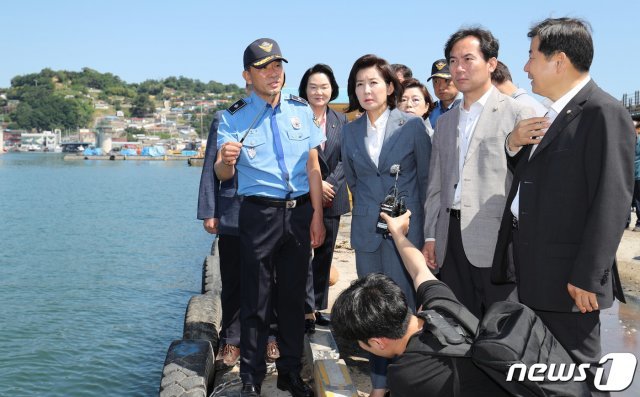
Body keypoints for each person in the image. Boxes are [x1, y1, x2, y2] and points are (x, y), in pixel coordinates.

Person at [492, 18, 635, 395]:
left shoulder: (602, 112)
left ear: (558, 61)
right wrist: (514, 145)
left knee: (580, 374)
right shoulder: (552, 114)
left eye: (531, 56)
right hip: (536, 268)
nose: (525, 68)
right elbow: (536, 182)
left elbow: (613, 199)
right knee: (547, 374)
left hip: (570, 280)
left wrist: (589, 274)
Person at [215, 38, 325, 397]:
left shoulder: (301, 109)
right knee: (256, 301)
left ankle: (290, 373)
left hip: (298, 213)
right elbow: (223, 175)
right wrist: (225, 160)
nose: (273, 73)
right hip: (258, 214)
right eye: (263, 67)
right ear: (248, 75)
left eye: (277, 65)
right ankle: (251, 378)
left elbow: (313, 166)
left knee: (293, 300)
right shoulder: (232, 116)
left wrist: (318, 216)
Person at [331, 211, 509, 397]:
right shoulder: (441, 307)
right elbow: (418, 269)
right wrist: (398, 233)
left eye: (363, 344)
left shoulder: (407, 375)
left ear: (378, 342)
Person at [422, 27, 535, 319]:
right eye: (452, 60)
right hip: (450, 241)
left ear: (492, 64)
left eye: (468, 59)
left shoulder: (518, 114)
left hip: (496, 241)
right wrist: (432, 236)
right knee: (459, 327)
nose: (458, 68)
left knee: (502, 333)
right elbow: (436, 185)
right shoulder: (445, 123)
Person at [342, 53, 431, 397]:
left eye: (374, 82)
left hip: (405, 230)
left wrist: (423, 235)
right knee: (372, 310)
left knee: (405, 306)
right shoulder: (350, 132)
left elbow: (425, 181)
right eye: (359, 84)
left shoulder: (411, 126)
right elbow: (354, 181)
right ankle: (379, 385)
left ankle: (410, 381)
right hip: (367, 232)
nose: (366, 89)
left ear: (390, 86)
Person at [197, 86, 280, 369]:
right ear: (247, 84)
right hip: (234, 212)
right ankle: (231, 340)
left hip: (272, 212)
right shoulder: (226, 117)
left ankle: (269, 334)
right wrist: (210, 211)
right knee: (232, 280)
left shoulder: (283, 116)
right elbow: (211, 165)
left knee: (270, 279)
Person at [297, 64, 349, 332]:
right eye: (313, 87)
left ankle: (318, 306)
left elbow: (345, 158)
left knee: (325, 253)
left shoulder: (341, 120)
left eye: (324, 87)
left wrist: (329, 184)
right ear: (305, 89)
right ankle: (304, 309)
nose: (319, 92)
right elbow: (297, 160)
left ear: (333, 90)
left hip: (334, 195)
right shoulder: (296, 118)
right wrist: (313, 185)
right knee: (304, 252)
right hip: (304, 196)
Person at [426, 58, 461, 128]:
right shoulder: (428, 112)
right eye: (436, 82)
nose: (441, 87)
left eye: (446, 80)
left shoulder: (469, 107)